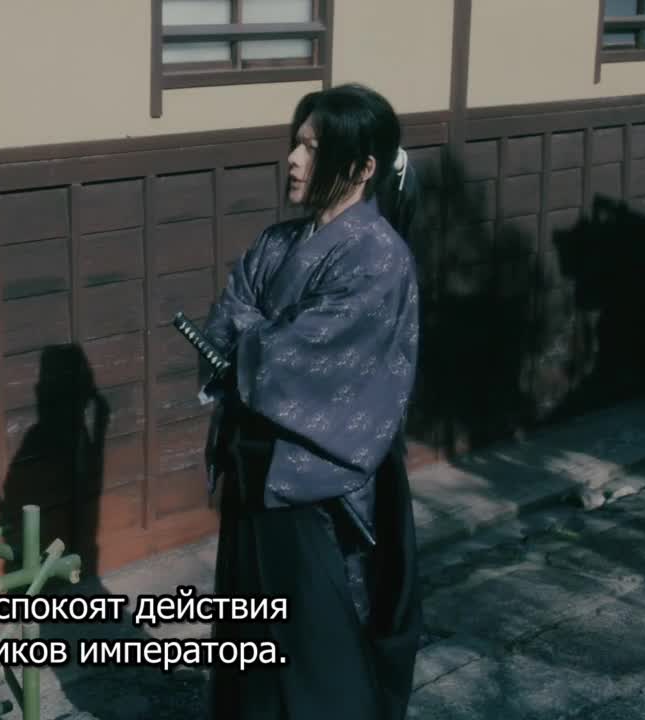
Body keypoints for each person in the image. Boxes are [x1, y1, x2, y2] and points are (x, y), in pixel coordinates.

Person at [200, 83, 423, 720]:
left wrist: (255, 337)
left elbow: (305, 354)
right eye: (296, 144)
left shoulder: (379, 256)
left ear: (363, 167)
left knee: (316, 646)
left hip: (316, 479)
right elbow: (226, 320)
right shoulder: (277, 241)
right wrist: (262, 335)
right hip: (253, 465)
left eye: (314, 148)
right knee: (250, 632)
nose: (294, 160)